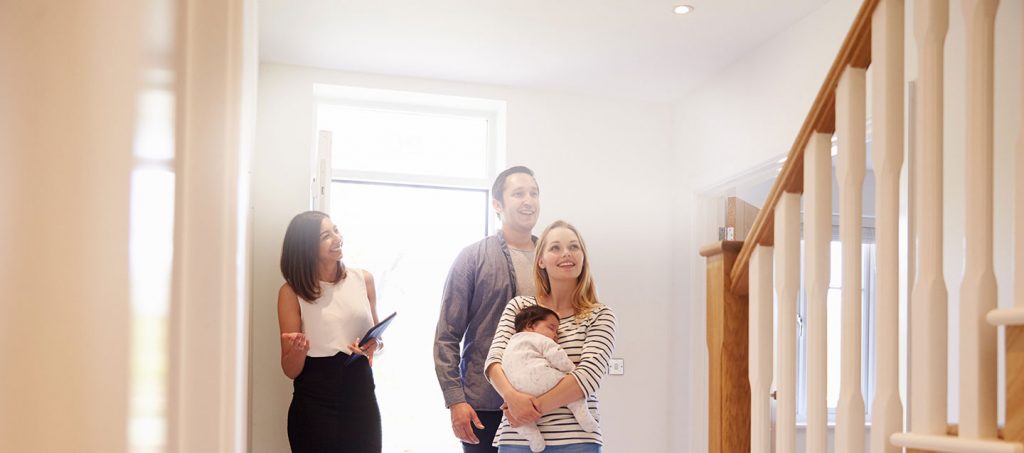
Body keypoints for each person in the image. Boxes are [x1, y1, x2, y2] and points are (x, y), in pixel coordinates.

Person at [485, 220, 617, 453]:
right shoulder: (519, 307)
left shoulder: (600, 315)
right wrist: (511, 398)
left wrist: (528, 409)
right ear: (541, 260)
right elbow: (494, 361)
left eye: (574, 247)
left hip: (577, 439)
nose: (566, 253)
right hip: (517, 439)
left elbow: (588, 376)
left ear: (583, 256)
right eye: (555, 248)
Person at [434, 166, 541, 452]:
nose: (528, 200)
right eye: (518, 193)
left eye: (533, 193)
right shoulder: (472, 258)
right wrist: (456, 400)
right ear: (497, 204)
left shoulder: (553, 257)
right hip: (485, 405)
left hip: (544, 404)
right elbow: (447, 336)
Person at [277, 211, 384, 453]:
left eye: (336, 230)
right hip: (315, 400)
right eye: (326, 235)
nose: (337, 238)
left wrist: (374, 345)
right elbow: (290, 369)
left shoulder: (363, 279)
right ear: (306, 247)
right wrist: (298, 350)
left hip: (361, 393)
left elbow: (377, 337)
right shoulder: (291, 292)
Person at [500, 305, 598, 452]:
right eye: (552, 328)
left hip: (517, 389)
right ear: (531, 326)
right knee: (571, 385)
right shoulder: (540, 339)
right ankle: (582, 414)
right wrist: (572, 369)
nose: (556, 335)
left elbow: (495, 365)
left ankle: (533, 437)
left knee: (521, 422)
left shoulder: (509, 344)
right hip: (542, 379)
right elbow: (557, 355)